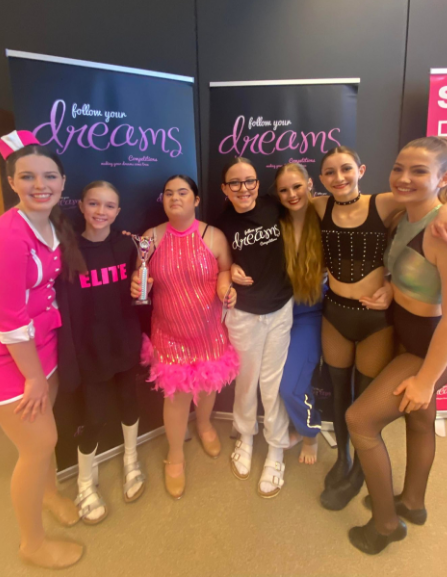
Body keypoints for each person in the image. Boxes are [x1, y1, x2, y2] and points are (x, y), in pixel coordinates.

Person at [311, 145, 447, 511]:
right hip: (344, 314)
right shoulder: (327, 207)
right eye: (330, 172)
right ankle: (362, 471)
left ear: (361, 170)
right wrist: (389, 286)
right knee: (357, 399)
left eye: (346, 169)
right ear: (320, 178)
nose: (339, 177)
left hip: (386, 327)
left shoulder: (389, 204)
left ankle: (365, 479)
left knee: (363, 408)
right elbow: (400, 264)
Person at [0, 131, 85, 569]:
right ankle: (31, 544)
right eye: (28, 176)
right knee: (37, 447)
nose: (40, 185)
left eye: (49, 176)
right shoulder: (4, 239)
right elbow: (10, 322)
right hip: (4, 358)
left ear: (62, 181)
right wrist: (33, 376)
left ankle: (49, 493)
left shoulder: (50, 225)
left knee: (46, 431)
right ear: (12, 181)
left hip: (42, 346)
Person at [132, 175, 238, 499]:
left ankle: (204, 425)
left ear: (196, 200)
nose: (175, 198)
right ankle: (175, 455)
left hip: (208, 330)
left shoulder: (214, 236)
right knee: (176, 397)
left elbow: (226, 270)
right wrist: (137, 284)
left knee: (207, 385)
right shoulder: (150, 238)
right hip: (170, 333)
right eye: (169, 193)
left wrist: (226, 285)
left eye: (182, 192)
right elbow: (141, 277)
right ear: (162, 200)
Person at [56, 181, 144, 524]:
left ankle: (131, 460)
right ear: (80, 206)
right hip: (89, 349)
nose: (100, 211)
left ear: (118, 212)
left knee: (129, 403)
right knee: (93, 416)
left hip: (124, 340)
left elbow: (140, 290)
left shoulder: (127, 245)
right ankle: (84, 482)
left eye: (109, 206)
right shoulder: (67, 251)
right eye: (93, 203)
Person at [215, 157, 294, 498]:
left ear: (258, 184)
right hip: (244, 313)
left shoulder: (277, 207)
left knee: (272, 383)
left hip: (280, 308)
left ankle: (276, 447)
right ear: (224, 188)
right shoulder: (220, 223)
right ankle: (245, 436)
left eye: (249, 181)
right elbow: (218, 264)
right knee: (246, 380)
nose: (243, 188)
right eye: (235, 182)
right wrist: (229, 270)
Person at [275, 163, 326, 464]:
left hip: (310, 313)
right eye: (284, 190)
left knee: (290, 385)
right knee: (266, 382)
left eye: (297, 186)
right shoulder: (274, 222)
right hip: (275, 312)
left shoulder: (326, 215)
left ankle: (309, 434)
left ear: (309, 184)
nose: (292, 194)